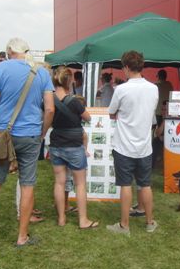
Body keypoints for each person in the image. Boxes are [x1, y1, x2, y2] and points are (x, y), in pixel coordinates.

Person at [0, 38, 54, 248]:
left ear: (9, 51)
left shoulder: (1, 69)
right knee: (27, 184)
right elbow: (49, 109)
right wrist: (42, 132)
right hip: (31, 134)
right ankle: (22, 237)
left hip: (4, 134)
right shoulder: (41, 72)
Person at [106, 50, 159, 235]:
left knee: (126, 185)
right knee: (145, 184)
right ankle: (150, 222)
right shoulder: (153, 88)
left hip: (124, 146)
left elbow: (111, 112)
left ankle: (124, 225)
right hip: (144, 146)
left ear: (127, 67)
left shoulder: (121, 89)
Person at [49, 66, 98, 229]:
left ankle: (61, 218)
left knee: (59, 182)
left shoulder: (48, 100)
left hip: (56, 144)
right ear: (69, 81)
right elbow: (88, 118)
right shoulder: (74, 101)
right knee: (80, 184)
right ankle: (83, 220)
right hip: (75, 146)